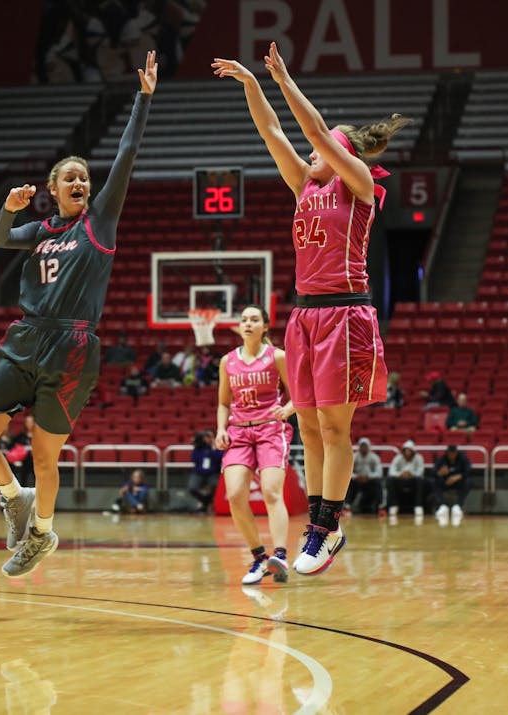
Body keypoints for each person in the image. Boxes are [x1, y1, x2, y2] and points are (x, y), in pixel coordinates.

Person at [213, 43, 410, 575]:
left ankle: (324, 526)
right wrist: (253, 85)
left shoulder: (360, 186)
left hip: (346, 314)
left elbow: (317, 131)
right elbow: (272, 133)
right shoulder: (304, 184)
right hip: (304, 317)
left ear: (347, 156)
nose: (315, 152)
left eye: (328, 149)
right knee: (309, 430)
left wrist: (283, 78)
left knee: (334, 428)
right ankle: (326, 528)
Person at [0, 51, 158, 578]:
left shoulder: (99, 224)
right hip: (25, 338)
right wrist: (8, 207)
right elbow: (0, 237)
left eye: (83, 179)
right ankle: (14, 498)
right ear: (52, 190)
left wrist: (142, 99)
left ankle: (42, 534)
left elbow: (127, 155)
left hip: (72, 347)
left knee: (45, 456)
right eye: (68, 179)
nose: (79, 183)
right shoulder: (41, 231)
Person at [215, 305, 295, 585]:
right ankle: (260, 558)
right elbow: (224, 402)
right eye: (244, 320)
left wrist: (287, 409)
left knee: (272, 492)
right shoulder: (228, 361)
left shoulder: (278, 356)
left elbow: (298, 394)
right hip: (239, 432)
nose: (248, 323)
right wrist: (221, 429)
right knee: (235, 495)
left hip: (271, 431)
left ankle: (281, 556)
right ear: (239, 326)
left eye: (254, 319)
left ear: (265, 326)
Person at [432, 445, 472, 526]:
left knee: (468, 481)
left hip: (459, 482)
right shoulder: (442, 459)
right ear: (447, 453)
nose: (452, 455)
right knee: (434, 481)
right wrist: (439, 473)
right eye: (450, 453)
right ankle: (442, 505)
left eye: (453, 453)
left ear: (456, 453)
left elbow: (469, 471)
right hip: (445, 482)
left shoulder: (463, 458)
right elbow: (433, 472)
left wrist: (458, 477)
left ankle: (458, 506)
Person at [387, 440, 426, 520]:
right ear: (403, 451)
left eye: (409, 450)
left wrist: (411, 474)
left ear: (413, 451)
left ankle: (418, 506)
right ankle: (394, 506)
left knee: (420, 480)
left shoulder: (419, 458)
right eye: (406, 450)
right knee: (390, 480)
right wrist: (400, 474)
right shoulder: (398, 458)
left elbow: (420, 471)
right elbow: (391, 471)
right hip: (400, 480)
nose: (407, 452)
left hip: (413, 480)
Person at [344, 437, 383, 515]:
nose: (364, 448)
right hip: (356, 481)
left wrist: (368, 476)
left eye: (365, 446)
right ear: (359, 447)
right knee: (348, 482)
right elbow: (347, 471)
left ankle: (379, 507)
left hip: (369, 481)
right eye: (362, 446)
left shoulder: (374, 457)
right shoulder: (354, 457)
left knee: (378, 483)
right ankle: (347, 507)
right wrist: (356, 476)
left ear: (369, 447)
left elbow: (379, 472)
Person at [187, 430, 223, 513]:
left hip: (213, 473)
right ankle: (206, 502)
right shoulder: (198, 448)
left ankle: (207, 504)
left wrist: (214, 447)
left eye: (209, 436)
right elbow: (193, 459)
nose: (207, 438)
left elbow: (220, 457)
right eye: (205, 436)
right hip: (198, 473)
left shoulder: (217, 447)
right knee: (192, 488)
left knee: (215, 486)